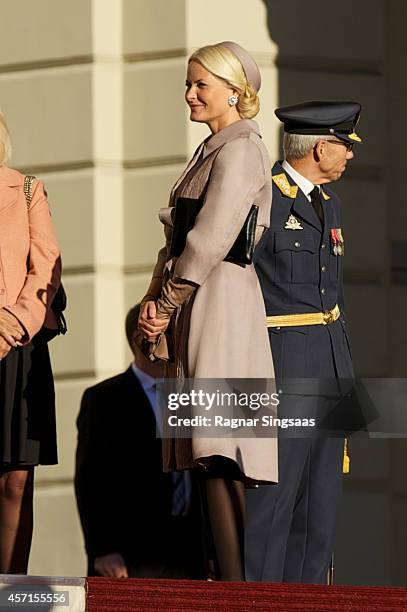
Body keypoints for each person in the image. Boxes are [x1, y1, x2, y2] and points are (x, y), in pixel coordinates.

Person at [138, 41, 277, 581]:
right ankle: (220, 577)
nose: (190, 93)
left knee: (220, 444)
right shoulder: (213, 148)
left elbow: (212, 235)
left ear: (234, 91)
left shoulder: (242, 149)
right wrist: (157, 303)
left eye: (200, 84)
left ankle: (238, 582)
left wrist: (169, 298)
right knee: (204, 445)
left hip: (219, 300)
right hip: (198, 298)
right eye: (189, 83)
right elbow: (176, 241)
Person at [245, 101, 361, 584]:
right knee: (276, 497)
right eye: (344, 146)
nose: (350, 156)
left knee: (322, 503)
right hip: (285, 362)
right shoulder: (263, 197)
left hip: (332, 361)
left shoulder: (328, 203)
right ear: (319, 147)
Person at [75, 304, 205, 579]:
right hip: (132, 555)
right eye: (168, 332)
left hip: (193, 551)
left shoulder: (196, 394)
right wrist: (103, 549)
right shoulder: (103, 399)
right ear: (141, 340)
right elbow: (91, 480)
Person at [0, 109, 61, 573]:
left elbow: (47, 266)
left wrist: (13, 325)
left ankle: (11, 589)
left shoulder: (25, 190)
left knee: (15, 481)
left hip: (18, 350)